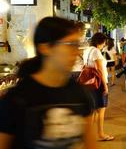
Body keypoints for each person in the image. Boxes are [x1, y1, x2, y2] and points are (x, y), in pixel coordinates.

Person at [0, 17, 97, 149]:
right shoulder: (17, 99)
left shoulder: (80, 94)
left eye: (77, 45)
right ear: (45, 48)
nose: (76, 51)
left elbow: (90, 144)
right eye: (70, 45)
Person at [83, 33, 114, 141]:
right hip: (98, 83)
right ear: (99, 41)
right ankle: (101, 134)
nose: (104, 44)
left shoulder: (87, 50)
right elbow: (100, 70)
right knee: (101, 110)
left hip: (90, 83)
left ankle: (88, 134)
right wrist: (105, 86)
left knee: (94, 110)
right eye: (104, 42)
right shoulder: (96, 51)